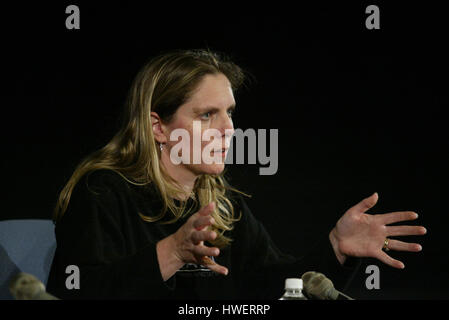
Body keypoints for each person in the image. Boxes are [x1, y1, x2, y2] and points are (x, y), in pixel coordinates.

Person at [46, 49, 426, 300]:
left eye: (230, 112)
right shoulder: (102, 192)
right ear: (158, 128)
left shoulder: (221, 206)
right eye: (207, 114)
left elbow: (272, 287)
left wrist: (335, 249)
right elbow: (78, 291)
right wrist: (173, 251)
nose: (229, 129)